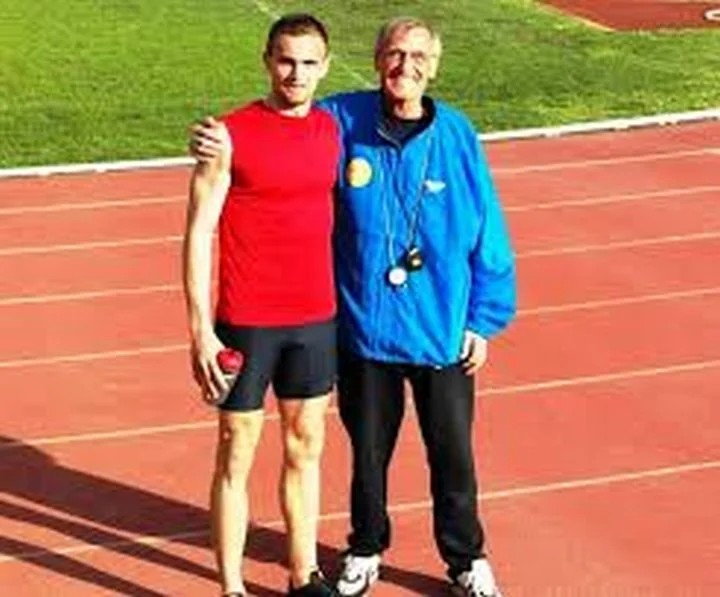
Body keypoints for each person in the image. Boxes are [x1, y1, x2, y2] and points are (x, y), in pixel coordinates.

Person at [190, 16, 516, 597]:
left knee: (451, 454)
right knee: (366, 455)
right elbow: (283, 119)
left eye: (418, 57)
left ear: (435, 67)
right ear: (375, 60)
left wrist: (483, 318)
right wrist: (216, 139)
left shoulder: (456, 134)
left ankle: (466, 558)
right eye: (394, 54)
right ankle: (364, 548)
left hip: (441, 328)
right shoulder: (343, 120)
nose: (405, 67)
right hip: (364, 327)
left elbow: (488, 227)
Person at [182, 14, 340, 597]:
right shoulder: (228, 135)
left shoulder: (333, 128)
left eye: (308, 63)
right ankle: (232, 587)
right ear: (267, 60)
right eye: (285, 60)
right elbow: (198, 233)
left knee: (306, 445)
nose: (295, 73)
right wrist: (201, 330)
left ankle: (304, 574)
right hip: (247, 322)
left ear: (325, 67)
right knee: (236, 451)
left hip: (315, 317)